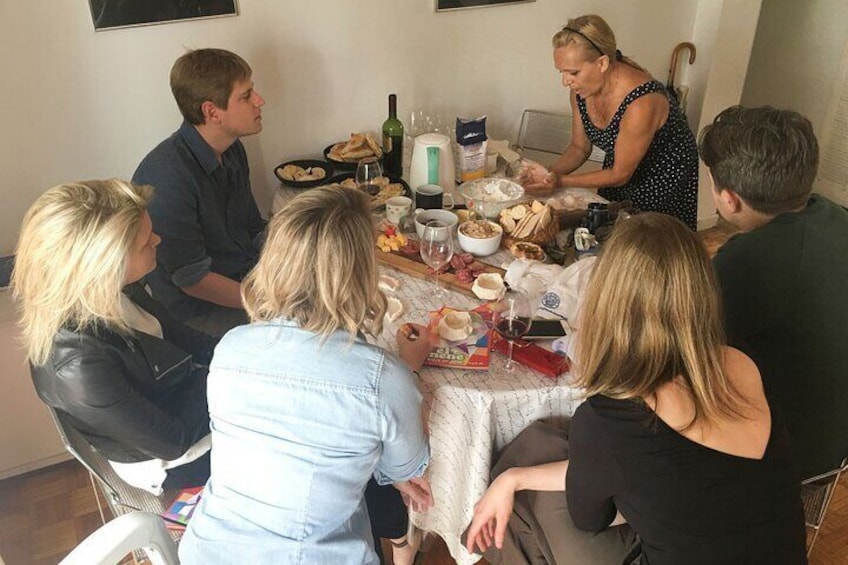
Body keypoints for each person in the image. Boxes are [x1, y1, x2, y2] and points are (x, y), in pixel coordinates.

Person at [465, 213, 807, 565]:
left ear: (606, 305)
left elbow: (592, 517)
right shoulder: (742, 362)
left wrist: (510, 480)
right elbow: (639, 464)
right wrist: (513, 478)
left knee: (528, 514)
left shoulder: (611, 418)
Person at [179, 185, 434, 565]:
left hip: (209, 551)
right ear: (363, 272)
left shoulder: (230, 348)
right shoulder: (385, 378)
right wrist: (409, 370)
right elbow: (408, 467)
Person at [13, 179, 217, 495]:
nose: (158, 240)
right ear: (104, 265)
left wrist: (247, 354)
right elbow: (173, 442)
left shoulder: (118, 290)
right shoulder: (78, 367)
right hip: (178, 457)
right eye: (145, 242)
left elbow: (190, 340)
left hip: (191, 397)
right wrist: (235, 382)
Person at [700, 105, 848, 480]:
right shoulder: (834, 215)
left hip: (783, 453)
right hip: (833, 438)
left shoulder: (748, 260)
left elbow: (688, 346)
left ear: (728, 198)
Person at [133, 48, 266, 336]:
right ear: (211, 111)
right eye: (246, 96)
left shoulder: (232, 149)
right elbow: (194, 280)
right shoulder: (167, 177)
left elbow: (254, 229)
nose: (259, 101)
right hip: (199, 312)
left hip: (244, 279)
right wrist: (267, 300)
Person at [523, 15, 698, 229]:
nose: (565, 81)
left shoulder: (642, 101)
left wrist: (559, 181)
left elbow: (620, 174)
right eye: (562, 72)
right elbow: (579, 147)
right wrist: (549, 174)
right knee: (607, 235)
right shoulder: (581, 91)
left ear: (602, 63)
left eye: (573, 72)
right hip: (618, 173)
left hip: (663, 181)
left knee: (647, 249)